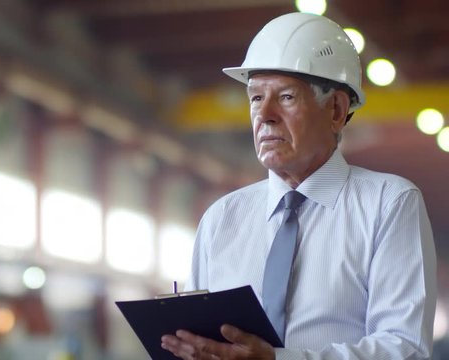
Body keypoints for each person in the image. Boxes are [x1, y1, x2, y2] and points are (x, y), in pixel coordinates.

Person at [161, 12, 437, 360]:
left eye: (286, 97)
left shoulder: (389, 204)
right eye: (256, 98)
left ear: (336, 110)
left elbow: (406, 348)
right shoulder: (222, 219)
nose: (264, 115)